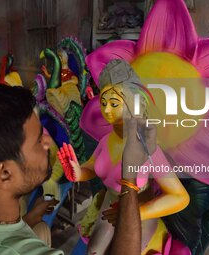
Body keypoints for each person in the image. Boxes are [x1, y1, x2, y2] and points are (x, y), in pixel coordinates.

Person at [0, 84, 144, 255]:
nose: (47, 142)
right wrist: (129, 175)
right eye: (38, 140)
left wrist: (28, 220)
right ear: (4, 173)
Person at [58, 60, 190, 254]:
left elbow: (180, 197)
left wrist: (137, 213)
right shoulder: (105, 141)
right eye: (103, 103)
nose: (107, 110)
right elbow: (93, 166)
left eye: (114, 103)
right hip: (109, 207)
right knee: (93, 252)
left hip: (139, 214)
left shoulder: (147, 146)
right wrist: (78, 172)